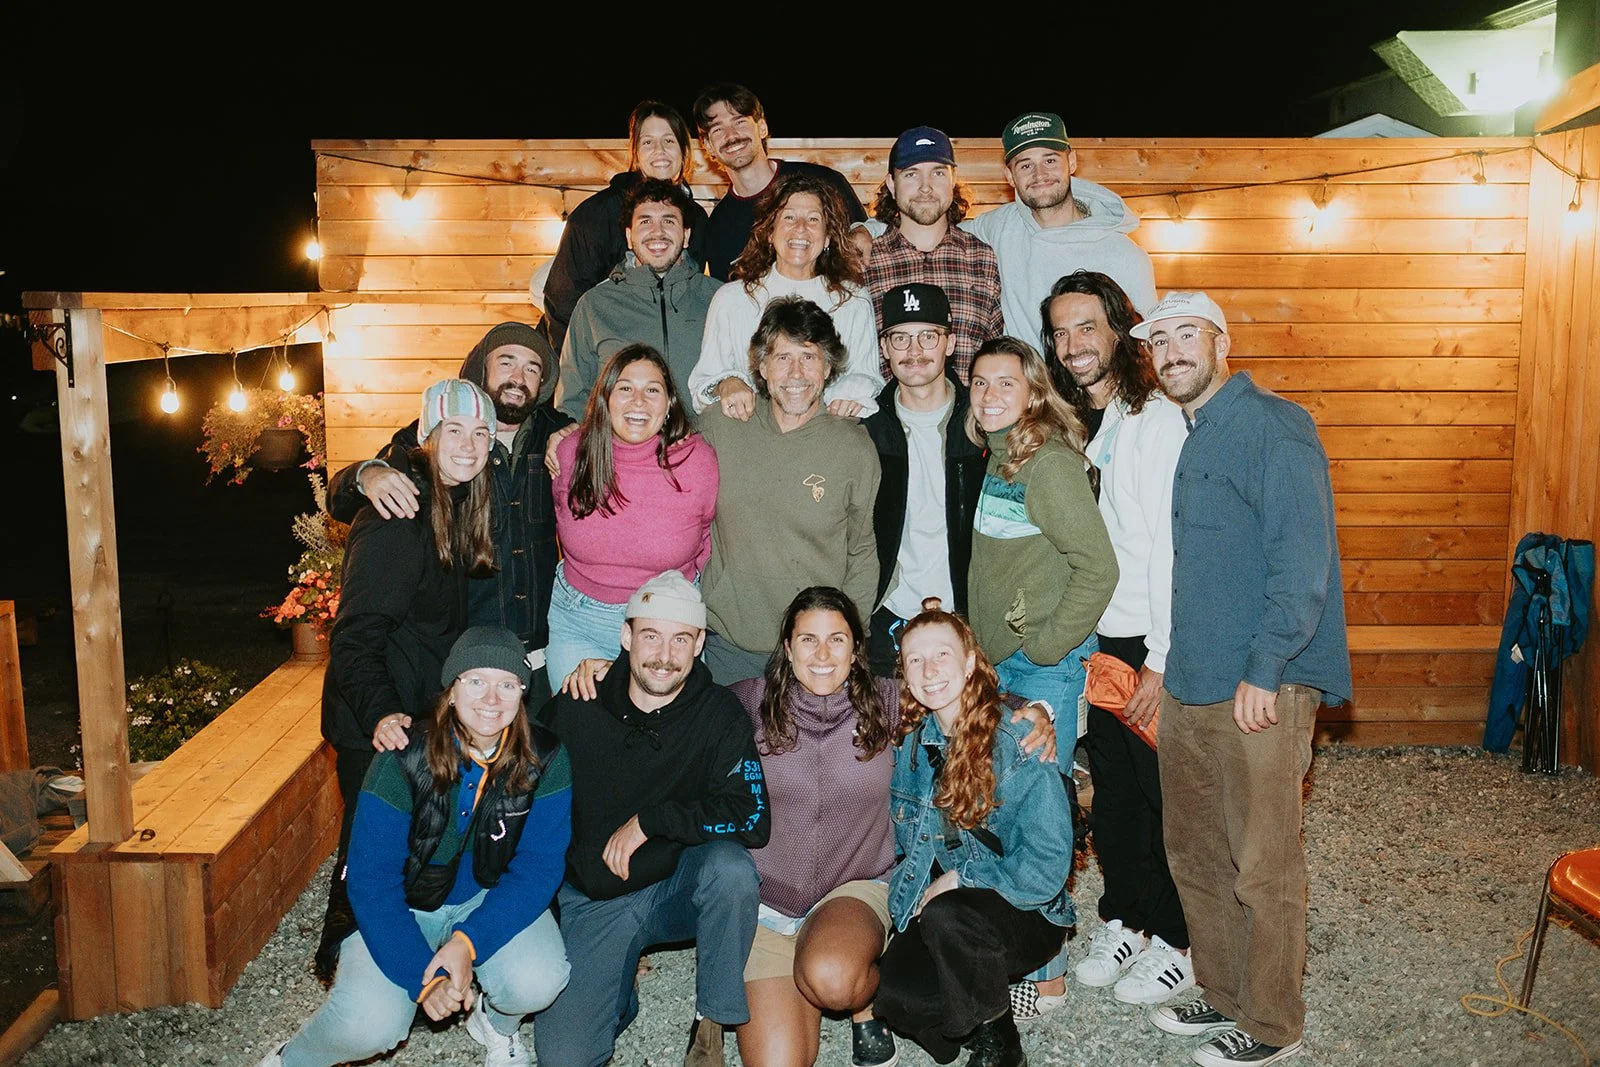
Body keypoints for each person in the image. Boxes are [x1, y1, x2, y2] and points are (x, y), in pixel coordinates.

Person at [1140, 292, 1351, 1067]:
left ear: (1221, 342)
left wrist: (1266, 667)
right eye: (1158, 341)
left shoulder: (1274, 425)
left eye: (1186, 334)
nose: (1171, 351)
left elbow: (1303, 561)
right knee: (1196, 853)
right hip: (1193, 681)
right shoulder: (1195, 433)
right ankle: (1225, 991)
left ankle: (1273, 1022)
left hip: (1262, 685)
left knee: (1265, 863)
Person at [258, 627, 572, 1067]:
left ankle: (497, 1026)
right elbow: (372, 880)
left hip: (484, 897)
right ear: (452, 689)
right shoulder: (402, 755)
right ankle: (291, 1059)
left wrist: (468, 942)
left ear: (522, 693)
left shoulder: (545, 757)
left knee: (539, 980)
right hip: (404, 904)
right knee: (369, 1025)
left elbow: (539, 868)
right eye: (475, 681)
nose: (491, 698)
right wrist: (424, 980)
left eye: (507, 684)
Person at [534, 572, 771, 1067]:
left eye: (680, 639)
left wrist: (654, 820)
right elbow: (523, 795)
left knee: (731, 870)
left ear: (699, 644)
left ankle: (711, 1022)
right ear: (626, 637)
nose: (664, 655)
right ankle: (615, 992)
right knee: (565, 1057)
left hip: (673, 885)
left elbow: (753, 818)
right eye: (650, 636)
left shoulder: (719, 712)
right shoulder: (578, 703)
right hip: (595, 901)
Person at [1041, 271, 1193, 1007]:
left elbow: (1170, 546)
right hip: (1098, 637)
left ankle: (1181, 938)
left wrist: (1161, 658)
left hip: (1145, 638)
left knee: (1164, 792)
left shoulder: (1154, 420)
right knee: (1117, 794)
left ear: (1119, 331)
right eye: (1061, 332)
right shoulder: (1075, 424)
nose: (1073, 344)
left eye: (1087, 327)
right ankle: (1128, 916)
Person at [316, 378, 498, 983]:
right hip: (377, 718)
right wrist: (381, 713)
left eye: (480, 433)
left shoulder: (456, 499)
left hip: (412, 708)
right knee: (367, 851)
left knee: (403, 845)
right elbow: (355, 633)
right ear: (426, 437)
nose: (468, 445)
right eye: (454, 431)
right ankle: (344, 965)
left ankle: (397, 962)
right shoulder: (400, 515)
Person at [966, 335, 1118, 1010]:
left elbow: (1098, 569)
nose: (989, 394)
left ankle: (1047, 972)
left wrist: (1051, 644)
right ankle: (1020, 949)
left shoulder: (1048, 464)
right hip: (1001, 663)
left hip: (1041, 667)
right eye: (980, 382)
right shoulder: (1002, 457)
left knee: (1041, 819)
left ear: (1033, 391)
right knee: (1007, 809)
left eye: (1006, 382)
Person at [874, 606, 1075, 1067]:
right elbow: (908, 847)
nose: (929, 670)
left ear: (969, 663)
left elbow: (1046, 866)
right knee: (897, 996)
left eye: (941, 655)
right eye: (915, 660)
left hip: (1026, 908)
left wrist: (961, 879)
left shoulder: (1017, 739)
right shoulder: (911, 743)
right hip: (955, 917)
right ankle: (983, 1000)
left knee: (948, 915)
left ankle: (1002, 1048)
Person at [327, 321, 569, 702]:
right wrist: (365, 474)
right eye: (506, 362)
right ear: (482, 369)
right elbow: (351, 497)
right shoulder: (441, 427)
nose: (518, 377)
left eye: (532, 368)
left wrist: (578, 431)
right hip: (466, 654)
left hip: (541, 651)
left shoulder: (559, 434)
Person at [695, 296, 881, 685]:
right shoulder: (719, 427)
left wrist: (850, 640)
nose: (796, 373)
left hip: (815, 655)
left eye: (809, 357)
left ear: (828, 367)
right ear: (762, 366)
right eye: (782, 358)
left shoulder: (855, 447)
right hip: (729, 644)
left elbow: (862, 553)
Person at [547, 344, 718, 684]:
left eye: (652, 390)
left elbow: (707, 542)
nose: (638, 401)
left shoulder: (696, 461)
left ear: (669, 404)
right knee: (577, 718)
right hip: (579, 622)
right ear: (605, 399)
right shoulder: (571, 453)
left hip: (667, 623)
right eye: (625, 388)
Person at [861, 283, 987, 675]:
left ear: (950, 343)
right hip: (888, 617)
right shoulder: (866, 428)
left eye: (928, 336)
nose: (914, 351)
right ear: (884, 348)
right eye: (900, 338)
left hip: (970, 618)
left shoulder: (982, 425)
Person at [687, 170, 884, 420]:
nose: (800, 228)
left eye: (813, 219)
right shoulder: (731, 299)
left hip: (827, 431)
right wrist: (727, 383)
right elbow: (703, 382)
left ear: (827, 237)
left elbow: (867, 374)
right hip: (751, 432)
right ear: (770, 232)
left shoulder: (853, 300)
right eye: (789, 217)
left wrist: (850, 392)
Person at [532, 100, 711, 352]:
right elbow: (563, 304)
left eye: (669, 141)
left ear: (683, 150)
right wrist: (583, 365)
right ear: (635, 153)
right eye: (648, 142)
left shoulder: (697, 219)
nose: (659, 150)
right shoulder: (596, 215)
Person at [965, 112, 1157, 343]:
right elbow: (938, 233)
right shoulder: (999, 226)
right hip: (1021, 367)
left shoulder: (1125, 256)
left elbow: (1148, 341)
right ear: (1010, 176)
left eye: (1050, 160)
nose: (1039, 174)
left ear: (1071, 162)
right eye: (1026, 165)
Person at [554, 178, 722, 422]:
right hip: (620, 445)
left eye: (668, 221)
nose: (657, 232)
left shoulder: (719, 299)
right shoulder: (594, 306)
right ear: (629, 236)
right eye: (645, 221)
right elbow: (572, 403)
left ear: (686, 236)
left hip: (706, 443)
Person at [862, 126, 1003, 384]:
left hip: (971, 409)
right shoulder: (864, 261)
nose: (925, 187)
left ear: (953, 179)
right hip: (883, 409)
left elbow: (998, 353)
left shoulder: (982, 257)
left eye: (938, 173)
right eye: (911, 174)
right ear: (892, 184)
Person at [691, 83, 866, 282]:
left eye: (739, 122)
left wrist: (866, 229)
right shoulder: (717, 227)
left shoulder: (824, 181)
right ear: (708, 146)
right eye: (717, 130)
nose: (731, 135)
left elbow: (869, 245)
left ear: (762, 128)